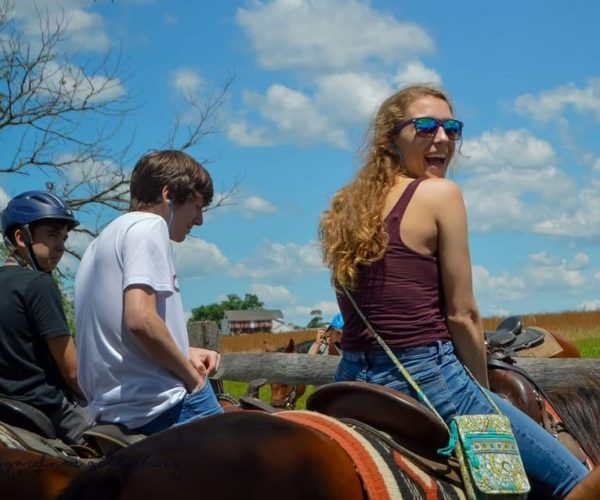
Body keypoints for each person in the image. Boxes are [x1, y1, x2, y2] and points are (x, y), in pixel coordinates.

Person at [319, 84, 593, 498]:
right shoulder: (440, 194)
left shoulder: (345, 205)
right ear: (392, 136)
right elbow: (462, 314)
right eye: (426, 126)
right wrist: (480, 391)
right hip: (429, 378)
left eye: (452, 128)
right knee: (575, 481)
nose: (443, 138)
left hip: (352, 378)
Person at [75, 150, 223, 435]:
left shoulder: (100, 242)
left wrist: (183, 349)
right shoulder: (149, 226)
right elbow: (140, 319)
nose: (200, 220)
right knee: (250, 470)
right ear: (168, 195)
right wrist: (192, 378)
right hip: (159, 407)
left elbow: (118, 332)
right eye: (197, 205)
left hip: (110, 411)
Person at [0, 191, 95, 444]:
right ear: (21, 237)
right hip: (50, 409)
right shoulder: (39, 284)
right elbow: (73, 373)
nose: (61, 245)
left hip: (4, 408)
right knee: (133, 458)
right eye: (52, 234)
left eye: (64, 237)